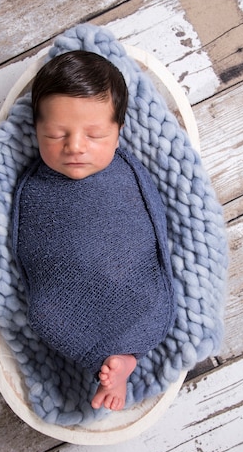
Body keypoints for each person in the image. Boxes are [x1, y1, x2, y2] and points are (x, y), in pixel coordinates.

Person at [11, 50, 177, 411]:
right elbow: (26, 246)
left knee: (147, 303)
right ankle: (109, 363)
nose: (74, 147)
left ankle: (126, 359)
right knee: (43, 313)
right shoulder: (34, 186)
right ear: (36, 130)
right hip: (61, 288)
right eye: (55, 134)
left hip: (127, 273)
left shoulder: (124, 173)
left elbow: (153, 219)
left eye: (95, 134)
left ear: (119, 132)